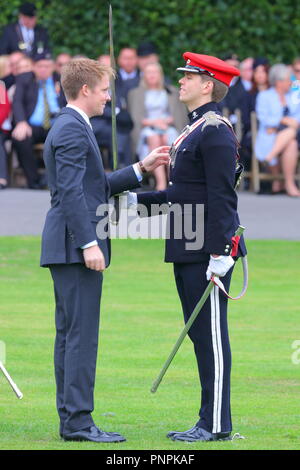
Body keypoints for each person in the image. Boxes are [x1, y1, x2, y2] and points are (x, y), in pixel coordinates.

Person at [40, 57, 170, 443]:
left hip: (67, 245)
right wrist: (89, 243)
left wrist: (140, 167)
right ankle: (78, 422)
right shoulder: (70, 129)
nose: (108, 97)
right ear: (85, 91)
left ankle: (72, 420)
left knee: (70, 335)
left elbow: (94, 186)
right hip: (72, 246)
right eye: (103, 90)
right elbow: (70, 193)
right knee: (79, 337)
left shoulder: (72, 126)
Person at [131, 52, 247, 442]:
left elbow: (221, 197)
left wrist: (220, 253)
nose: (181, 81)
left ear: (208, 84)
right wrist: (135, 203)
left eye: (189, 76)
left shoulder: (213, 129)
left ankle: (216, 424)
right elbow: (185, 194)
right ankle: (207, 419)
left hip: (205, 251)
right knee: (200, 336)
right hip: (188, 246)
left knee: (211, 338)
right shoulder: (196, 127)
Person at [127, 61, 187, 190]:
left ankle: (172, 180)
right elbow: (136, 118)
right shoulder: (135, 93)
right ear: (144, 75)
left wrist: (164, 122)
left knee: (166, 139)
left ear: (160, 74)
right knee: (153, 137)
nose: (152, 75)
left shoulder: (171, 92)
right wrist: (155, 122)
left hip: (167, 127)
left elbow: (177, 115)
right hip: (146, 128)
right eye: (149, 72)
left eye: (155, 72)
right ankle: (161, 183)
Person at [12, 51, 62, 189]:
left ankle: (53, 180)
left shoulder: (62, 79)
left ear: (52, 67)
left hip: (56, 125)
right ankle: (34, 181)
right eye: (40, 66)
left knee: (67, 139)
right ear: (34, 67)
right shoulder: (24, 79)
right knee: (20, 138)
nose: (43, 69)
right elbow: (17, 102)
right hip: (32, 125)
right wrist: (21, 122)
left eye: (47, 66)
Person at [255, 63, 300, 196]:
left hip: (286, 132)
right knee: (291, 140)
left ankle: (269, 158)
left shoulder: (293, 96)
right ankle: (289, 184)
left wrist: (289, 122)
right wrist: (282, 120)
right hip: (270, 134)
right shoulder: (264, 96)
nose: (291, 82)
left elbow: (298, 116)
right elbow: (263, 119)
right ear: (279, 82)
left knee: (291, 136)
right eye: (288, 80)